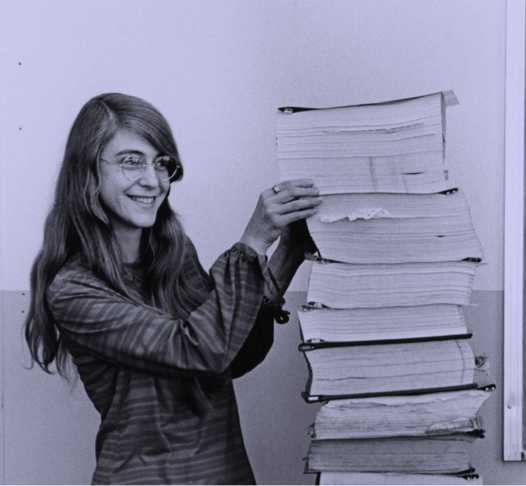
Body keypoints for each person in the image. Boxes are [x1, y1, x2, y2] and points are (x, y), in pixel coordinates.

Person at [23, 92, 322, 485]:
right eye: (131, 162)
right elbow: (200, 349)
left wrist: (289, 253)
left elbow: (232, 356)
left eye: (161, 163)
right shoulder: (73, 289)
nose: (152, 180)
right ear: (88, 172)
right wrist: (252, 242)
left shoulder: (174, 254)